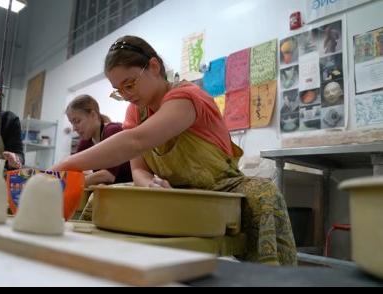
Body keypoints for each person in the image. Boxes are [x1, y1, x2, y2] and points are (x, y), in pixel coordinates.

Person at [52, 36, 297, 265]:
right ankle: (94, 268)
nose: (126, 96)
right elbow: (138, 168)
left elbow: (135, 141)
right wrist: (149, 184)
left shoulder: (187, 97)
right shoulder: (136, 111)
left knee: (265, 194)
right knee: (103, 196)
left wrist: (61, 167)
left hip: (221, 187)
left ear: (154, 66)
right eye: (119, 90)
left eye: (130, 84)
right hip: (174, 189)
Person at [67, 94, 132, 187]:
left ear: (93, 115)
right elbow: (72, 168)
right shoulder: (86, 141)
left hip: (130, 190)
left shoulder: (113, 131)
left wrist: (69, 183)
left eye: (77, 121)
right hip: (110, 191)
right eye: (72, 123)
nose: (74, 129)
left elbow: (108, 175)